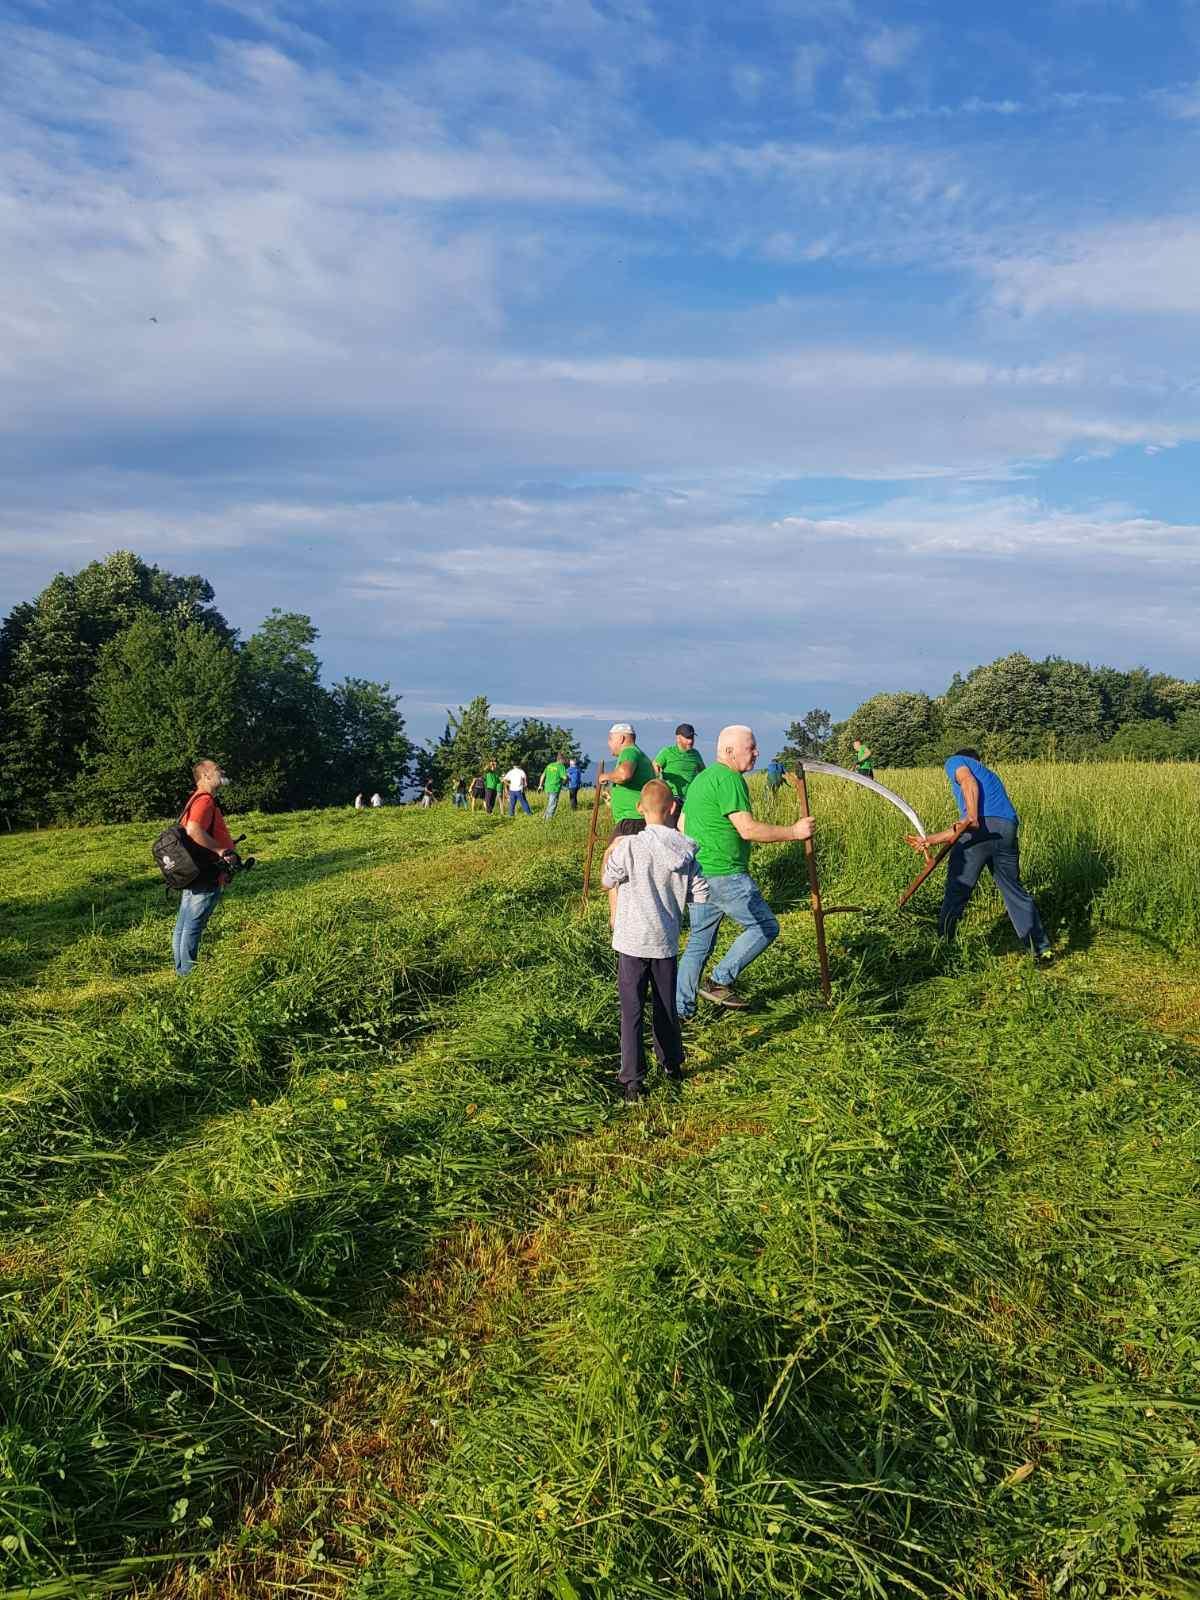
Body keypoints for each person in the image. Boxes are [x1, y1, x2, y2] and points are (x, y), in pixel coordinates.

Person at [676, 725, 814, 1016]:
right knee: (765, 926)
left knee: (699, 942)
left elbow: (681, 825)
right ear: (729, 751)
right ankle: (719, 981)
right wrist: (794, 831)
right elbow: (748, 829)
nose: (757, 752)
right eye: (751, 747)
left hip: (698, 874)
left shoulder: (701, 779)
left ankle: (682, 1012)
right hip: (726, 875)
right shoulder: (730, 779)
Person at [601, 780, 709, 1102]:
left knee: (631, 1009)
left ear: (639, 808)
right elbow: (701, 894)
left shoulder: (629, 847)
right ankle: (672, 1064)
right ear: (673, 808)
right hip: (665, 943)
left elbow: (608, 879)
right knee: (665, 1007)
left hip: (632, 943)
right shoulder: (686, 851)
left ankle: (633, 1080)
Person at [913, 749, 1052, 962]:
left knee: (957, 890)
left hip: (978, 830)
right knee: (1014, 890)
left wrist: (972, 815)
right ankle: (1041, 950)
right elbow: (963, 826)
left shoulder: (956, 761)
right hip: (1006, 829)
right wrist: (929, 840)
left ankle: (942, 948)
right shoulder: (991, 777)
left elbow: (969, 789)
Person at [172, 758, 238, 977]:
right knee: (192, 926)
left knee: (184, 924)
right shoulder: (205, 801)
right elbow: (193, 830)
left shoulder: (195, 799)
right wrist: (221, 851)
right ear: (206, 776)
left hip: (194, 870)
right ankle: (187, 976)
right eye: (217, 769)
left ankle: (181, 970)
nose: (222, 772)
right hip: (206, 871)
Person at [597, 723, 655, 829]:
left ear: (621, 739)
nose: (608, 743)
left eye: (610, 739)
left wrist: (605, 776)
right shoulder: (638, 754)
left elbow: (624, 774)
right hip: (636, 818)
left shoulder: (629, 752)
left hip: (631, 820)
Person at [653, 723, 705, 823]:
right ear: (678, 738)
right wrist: (658, 772)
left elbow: (704, 773)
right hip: (673, 799)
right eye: (687, 738)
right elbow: (655, 766)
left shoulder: (696, 754)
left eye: (692, 737)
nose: (691, 741)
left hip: (690, 800)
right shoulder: (667, 752)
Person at [540, 752, 568, 820]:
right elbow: (565, 778)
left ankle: (544, 817)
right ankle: (548, 820)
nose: (565, 761)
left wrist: (540, 785)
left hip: (547, 787)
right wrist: (563, 784)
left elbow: (543, 775)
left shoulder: (550, 765)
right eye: (564, 760)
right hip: (555, 787)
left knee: (550, 803)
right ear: (561, 760)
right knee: (553, 804)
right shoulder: (561, 766)